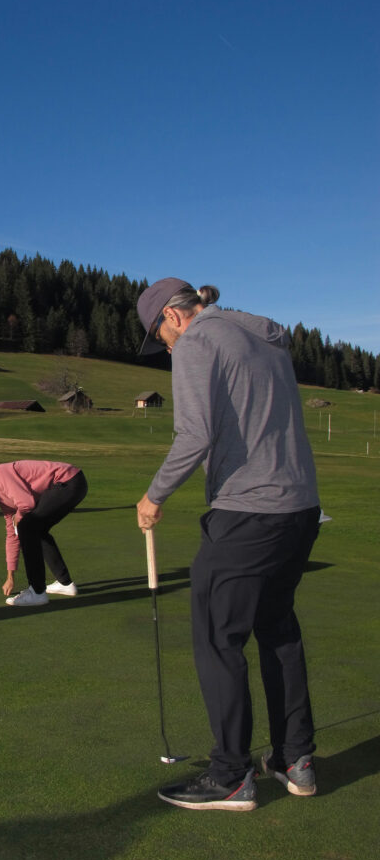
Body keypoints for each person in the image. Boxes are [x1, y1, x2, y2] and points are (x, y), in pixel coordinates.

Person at [135, 278, 320, 812]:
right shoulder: (261, 336)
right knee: (278, 629)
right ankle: (294, 757)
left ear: (173, 316)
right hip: (300, 509)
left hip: (247, 513)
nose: (168, 349)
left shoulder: (196, 341)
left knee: (218, 638)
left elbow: (195, 434)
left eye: (161, 338)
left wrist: (153, 496)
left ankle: (231, 776)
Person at [0, 460, 88, 607]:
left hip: (68, 481)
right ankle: (65, 584)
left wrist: (18, 518)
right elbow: (12, 534)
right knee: (36, 530)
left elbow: (27, 503)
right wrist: (10, 576)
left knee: (27, 527)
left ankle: (37, 593)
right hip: (71, 484)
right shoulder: (4, 501)